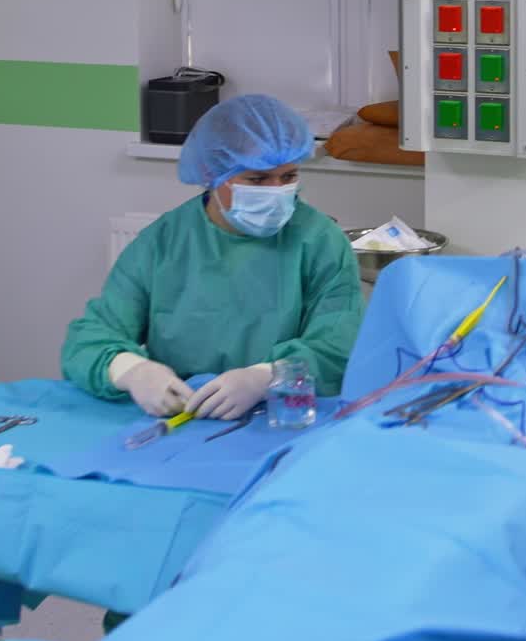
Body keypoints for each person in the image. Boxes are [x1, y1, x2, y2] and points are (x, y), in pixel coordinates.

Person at [62, 94, 364, 420]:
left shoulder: (319, 241)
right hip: (184, 412)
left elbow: (338, 347)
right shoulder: (164, 242)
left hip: (281, 417)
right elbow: (88, 341)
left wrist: (266, 376)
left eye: (289, 177)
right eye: (257, 179)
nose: (276, 191)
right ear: (212, 172)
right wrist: (132, 371)